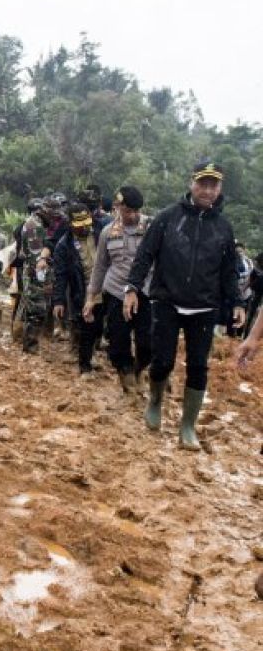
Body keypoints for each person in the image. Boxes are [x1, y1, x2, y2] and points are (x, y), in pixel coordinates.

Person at [125, 161, 247, 449]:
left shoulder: (223, 229)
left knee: (198, 366)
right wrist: (132, 288)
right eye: (202, 183)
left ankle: (188, 427)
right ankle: (155, 401)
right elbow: (145, 254)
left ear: (219, 188)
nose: (207, 190)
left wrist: (238, 303)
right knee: (163, 359)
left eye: (213, 185)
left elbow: (229, 271)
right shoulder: (168, 218)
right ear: (192, 183)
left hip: (204, 307)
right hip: (167, 300)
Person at [85, 186, 152, 393]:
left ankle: (141, 369)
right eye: (127, 210)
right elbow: (100, 266)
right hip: (116, 292)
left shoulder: (151, 227)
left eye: (135, 211)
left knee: (147, 341)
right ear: (117, 207)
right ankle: (127, 377)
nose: (131, 215)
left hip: (146, 292)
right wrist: (90, 298)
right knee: (118, 341)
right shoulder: (108, 232)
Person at [53, 204, 102, 374]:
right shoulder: (64, 246)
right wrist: (59, 301)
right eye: (80, 225)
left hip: (106, 289)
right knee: (87, 329)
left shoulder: (99, 232)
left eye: (87, 223)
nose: (85, 228)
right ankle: (85, 367)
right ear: (71, 223)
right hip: (83, 291)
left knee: (100, 328)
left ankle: (92, 354)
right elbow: (60, 276)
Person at [18, 208, 54, 353]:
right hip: (35, 273)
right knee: (36, 308)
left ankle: (29, 344)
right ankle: (30, 346)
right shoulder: (35, 227)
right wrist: (44, 279)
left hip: (30, 271)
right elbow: (36, 258)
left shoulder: (30, 223)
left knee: (32, 308)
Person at [228, 242, 255, 338]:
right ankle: (230, 335)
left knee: (244, 313)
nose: (239, 253)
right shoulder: (231, 262)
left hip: (246, 292)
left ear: (244, 250)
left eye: (241, 251)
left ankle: (239, 334)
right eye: (237, 251)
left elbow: (252, 274)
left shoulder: (249, 261)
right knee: (232, 315)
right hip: (234, 290)